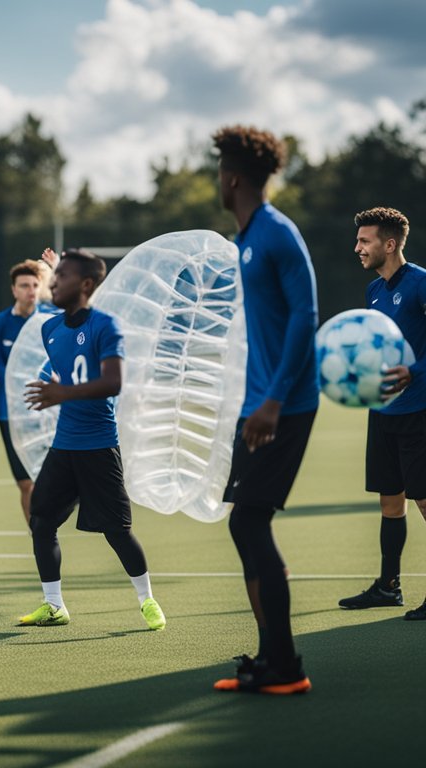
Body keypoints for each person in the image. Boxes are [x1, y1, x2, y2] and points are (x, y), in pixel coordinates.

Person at [210, 125, 318, 695]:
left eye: (218, 172)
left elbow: (305, 317)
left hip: (286, 405)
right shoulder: (247, 237)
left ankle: (287, 665)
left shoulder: (276, 233)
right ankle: (273, 657)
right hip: (260, 405)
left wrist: (274, 401)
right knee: (245, 523)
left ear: (231, 178)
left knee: (249, 520)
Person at [19, 249, 166, 632]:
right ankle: (54, 606)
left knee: (117, 531)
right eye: (54, 275)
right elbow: (62, 373)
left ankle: (147, 599)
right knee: (41, 521)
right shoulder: (49, 329)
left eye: (62, 276)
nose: (53, 282)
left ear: (86, 285)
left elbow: (112, 382)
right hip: (64, 445)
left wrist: (61, 393)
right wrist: (53, 388)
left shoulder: (106, 326)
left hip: (99, 446)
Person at [338, 207, 426, 620]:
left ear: (389, 244)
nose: (357, 247)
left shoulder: (421, 284)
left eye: (365, 241)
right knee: (390, 502)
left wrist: (415, 370)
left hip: (419, 412)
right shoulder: (373, 291)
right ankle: (388, 586)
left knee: (425, 501)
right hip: (382, 412)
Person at [0, 259, 51, 526]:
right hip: (11, 414)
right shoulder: (0, 323)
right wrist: (21, 388)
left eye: (35, 285)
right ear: (14, 290)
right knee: (27, 485)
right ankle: (39, 540)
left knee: (53, 481)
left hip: (48, 412)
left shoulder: (49, 319)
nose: (30, 290)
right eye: (24, 285)